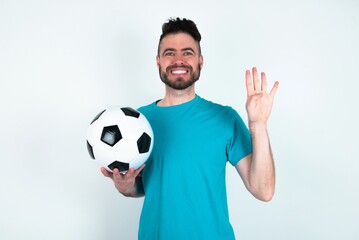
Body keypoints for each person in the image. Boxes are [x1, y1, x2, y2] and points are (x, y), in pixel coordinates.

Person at [101, 17, 279, 240]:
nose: (178, 60)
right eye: (169, 53)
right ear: (158, 61)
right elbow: (145, 186)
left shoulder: (224, 118)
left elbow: (263, 190)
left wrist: (258, 125)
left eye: (187, 52)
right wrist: (126, 187)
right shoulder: (137, 121)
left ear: (200, 61)